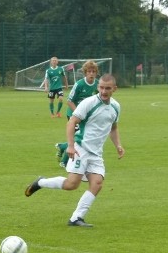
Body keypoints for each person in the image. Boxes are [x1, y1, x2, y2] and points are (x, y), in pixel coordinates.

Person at [25, 73, 124, 227]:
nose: (104, 91)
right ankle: (41, 182)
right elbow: (71, 123)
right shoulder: (89, 103)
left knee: (97, 183)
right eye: (102, 88)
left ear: (114, 89)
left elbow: (113, 128)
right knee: (72, 184)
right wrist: (70, 146)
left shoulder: (116, 107)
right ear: (98, 87)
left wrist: (118, 145)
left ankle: (76, 218)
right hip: (81, 148)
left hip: (96, 153)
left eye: (108, 88)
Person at [55, 60, 100, 168]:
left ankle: (62, 146)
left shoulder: (98, 84)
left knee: (83, 136)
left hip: (87, 116)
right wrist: (79, 113)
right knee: (77, 137)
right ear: (85, 72)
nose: (91, 73)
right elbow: (69, 101)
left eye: (93, 71)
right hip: (74, 114)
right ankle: (65, 162)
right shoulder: (79, 84)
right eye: (89, 71)